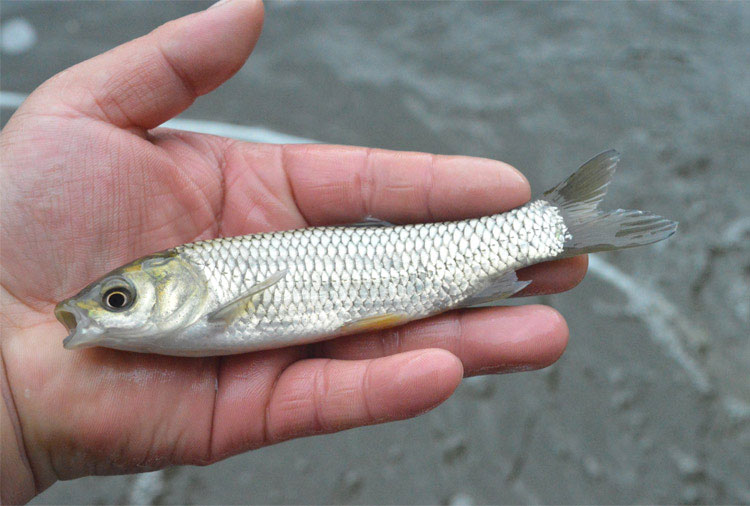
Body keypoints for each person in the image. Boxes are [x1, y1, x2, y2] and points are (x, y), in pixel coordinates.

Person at [0, 1, 586, 503]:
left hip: (397, 269)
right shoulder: (176, 324)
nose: (104, 312)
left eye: (118, 299)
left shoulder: (200, 310)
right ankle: (549, 227)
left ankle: (552, 226)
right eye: (117, 299)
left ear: (177, 284)